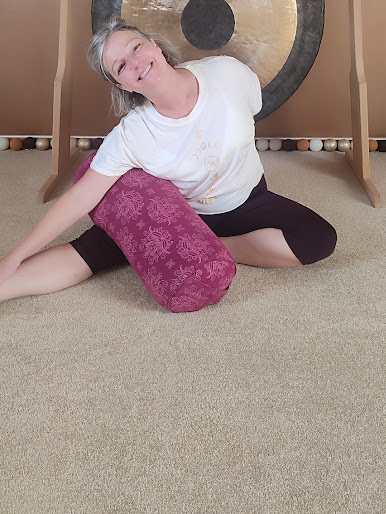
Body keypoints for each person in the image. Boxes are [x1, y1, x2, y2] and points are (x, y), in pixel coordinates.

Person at [0, 16, 337, 304]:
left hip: (247, 198)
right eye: (121, 66)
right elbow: (80, 197)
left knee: (318, 238)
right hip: (179, 220)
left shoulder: (227, 73)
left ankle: (215, 247)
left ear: (154, 45)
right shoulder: (132, 133)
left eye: (135, 47)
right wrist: (14, 257)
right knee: (93, 249)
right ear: (122, 84)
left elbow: (251, 108)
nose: (135, 63)